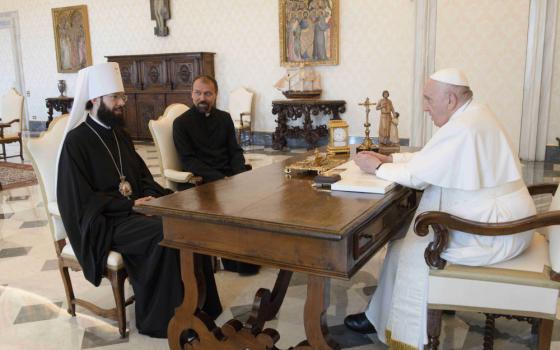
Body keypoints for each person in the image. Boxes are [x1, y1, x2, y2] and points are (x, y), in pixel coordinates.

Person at [344, 68, 535, 349]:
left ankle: (385, 319)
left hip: (495, 233)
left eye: (428, 99)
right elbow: (433, 158)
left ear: (450, 100)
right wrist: (391, 157)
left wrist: (380, 167)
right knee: (404, 244)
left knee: (408, 247)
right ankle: (379, 315)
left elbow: (418, 176)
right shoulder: (474, 113)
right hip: (504, 218)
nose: (424, 107)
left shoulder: (464, 126)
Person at [56, 62, 222, 338]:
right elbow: (81, 201)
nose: (122, 103)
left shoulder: (118, 134)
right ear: (95, 100)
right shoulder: (76, 143)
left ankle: (201, 306)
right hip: (106, 222)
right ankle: (165, 320)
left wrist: (165, 198)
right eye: (116, 98)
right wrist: (129, 205)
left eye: (122, 97)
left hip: (134, 210)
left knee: (188, 218)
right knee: (165, 233)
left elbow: (141, 176)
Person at [173, 75, 259, 275]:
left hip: (229, 177)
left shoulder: (224, 118)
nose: (202, 98)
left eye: (207, 93)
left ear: (215, 95)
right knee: (229, 204)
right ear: (191, 94)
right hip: (201, 181)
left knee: (255, 200)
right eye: (198, 93)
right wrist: (221, 180)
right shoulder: (181, 123)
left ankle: (251, 256)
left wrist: (239, 176)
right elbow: (189, 161)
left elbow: (235, 151)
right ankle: (231, 260)